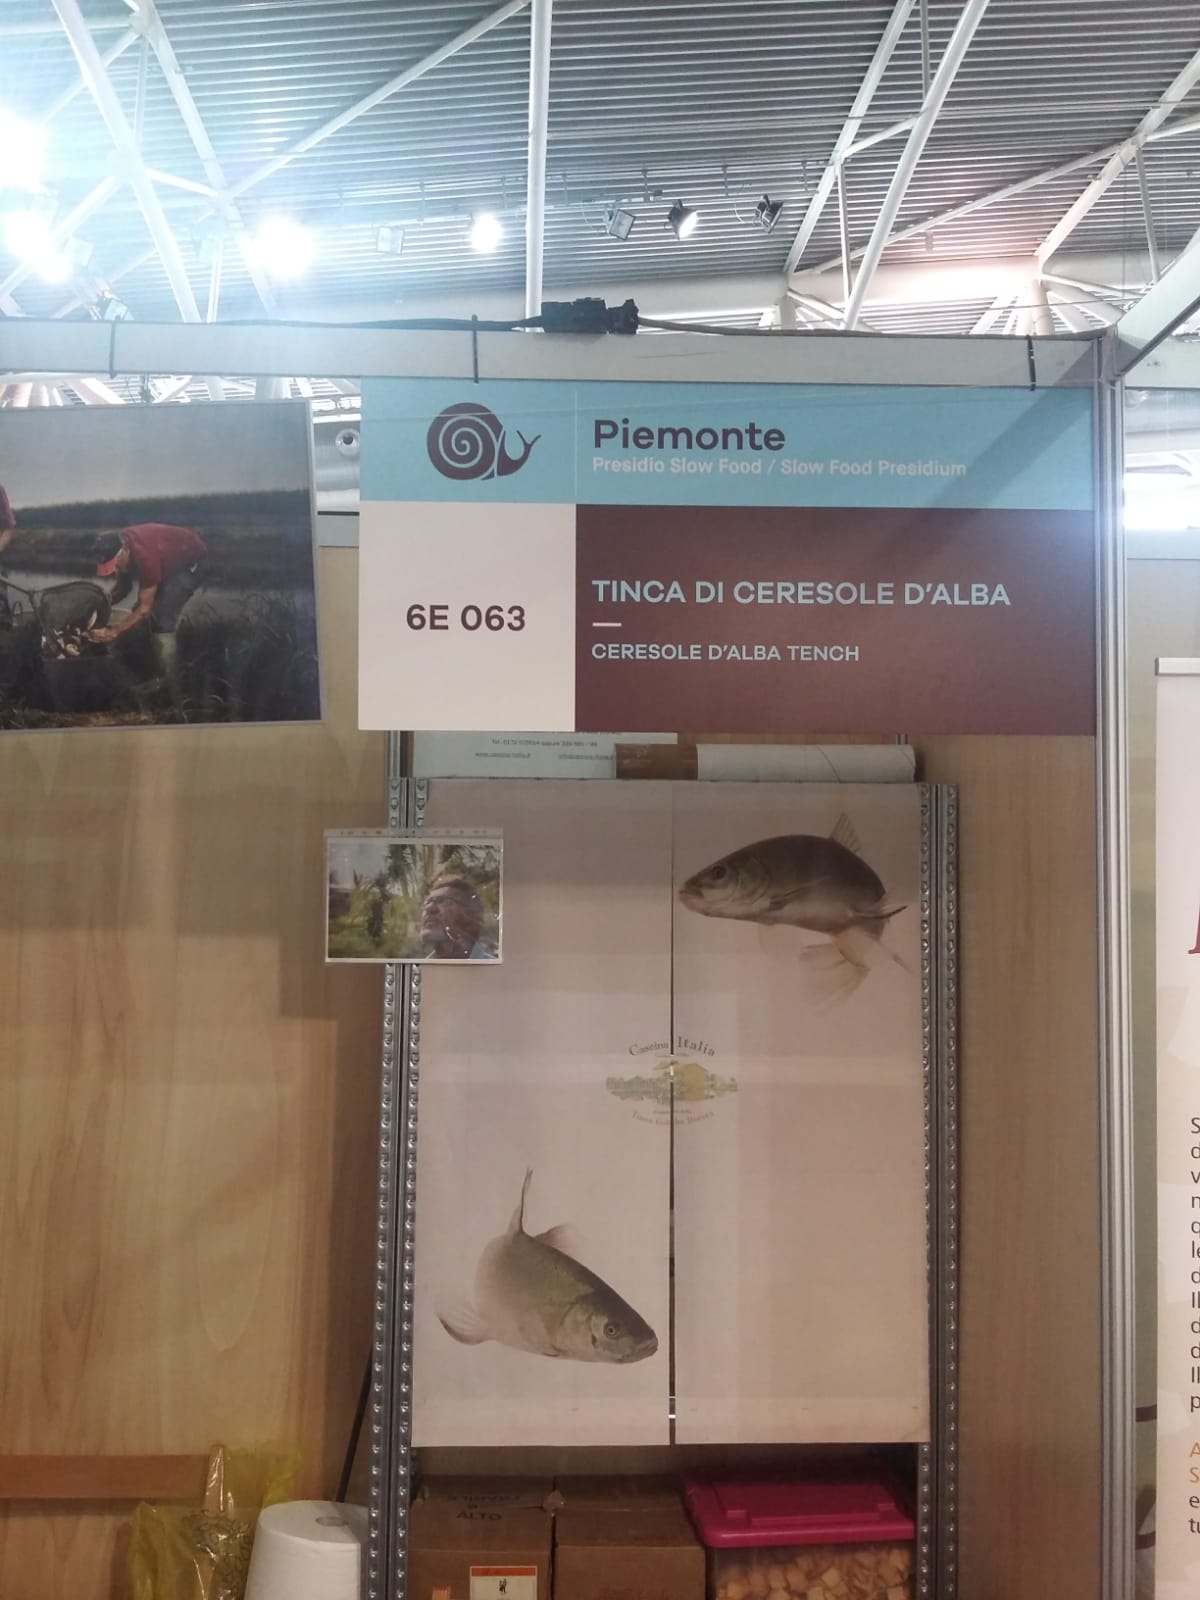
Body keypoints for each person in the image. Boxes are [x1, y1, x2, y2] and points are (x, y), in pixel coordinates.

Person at [87, 522, 207, 682]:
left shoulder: (145, 556)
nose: (115, 569)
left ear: (125, 551)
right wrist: (99, 605)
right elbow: (123, 588)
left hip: (192, 563)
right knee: (138, 614)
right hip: (166, 559)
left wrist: (114, 631)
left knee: (162, 616)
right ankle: (148, 661)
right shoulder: (119, 544)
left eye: (115, 564)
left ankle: (168, 677)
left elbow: (145, 608)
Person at [419, 875, 497, 960]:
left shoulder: (494, 966)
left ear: (469, 915)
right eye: (427, 903)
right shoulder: (418, 967)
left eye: (441, 901)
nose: (429, 908)